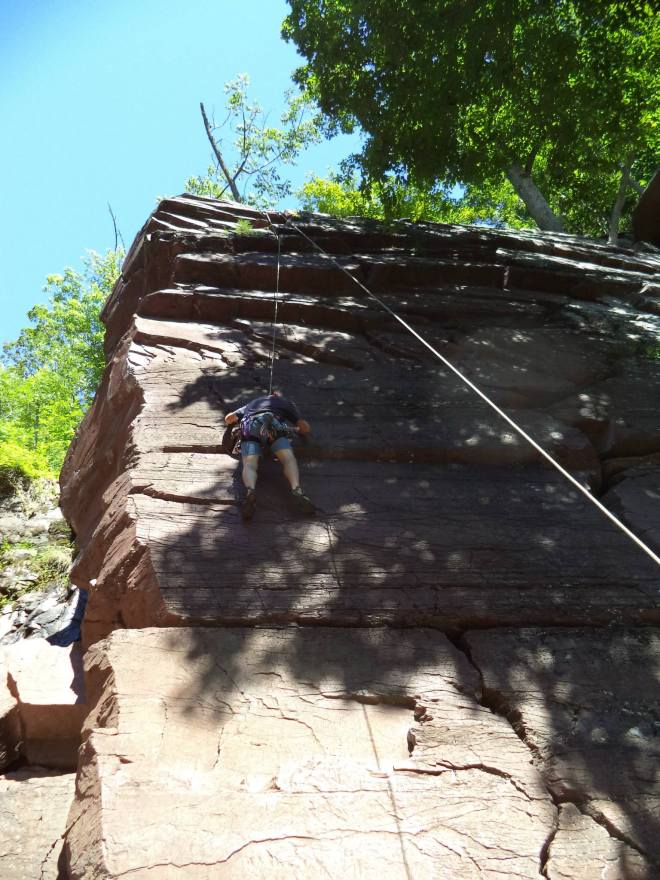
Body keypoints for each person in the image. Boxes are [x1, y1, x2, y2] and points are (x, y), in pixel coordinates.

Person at [224, 392, 314, 519]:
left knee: (249, 463)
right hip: (272, 424)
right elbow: (304, 427)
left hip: (250, 425)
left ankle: (250, 491)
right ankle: (296, 489)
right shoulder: (285, 402)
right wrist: (298, 430)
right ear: (277, 395)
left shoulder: (252, 403)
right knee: (288, 459)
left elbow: (229, 419)